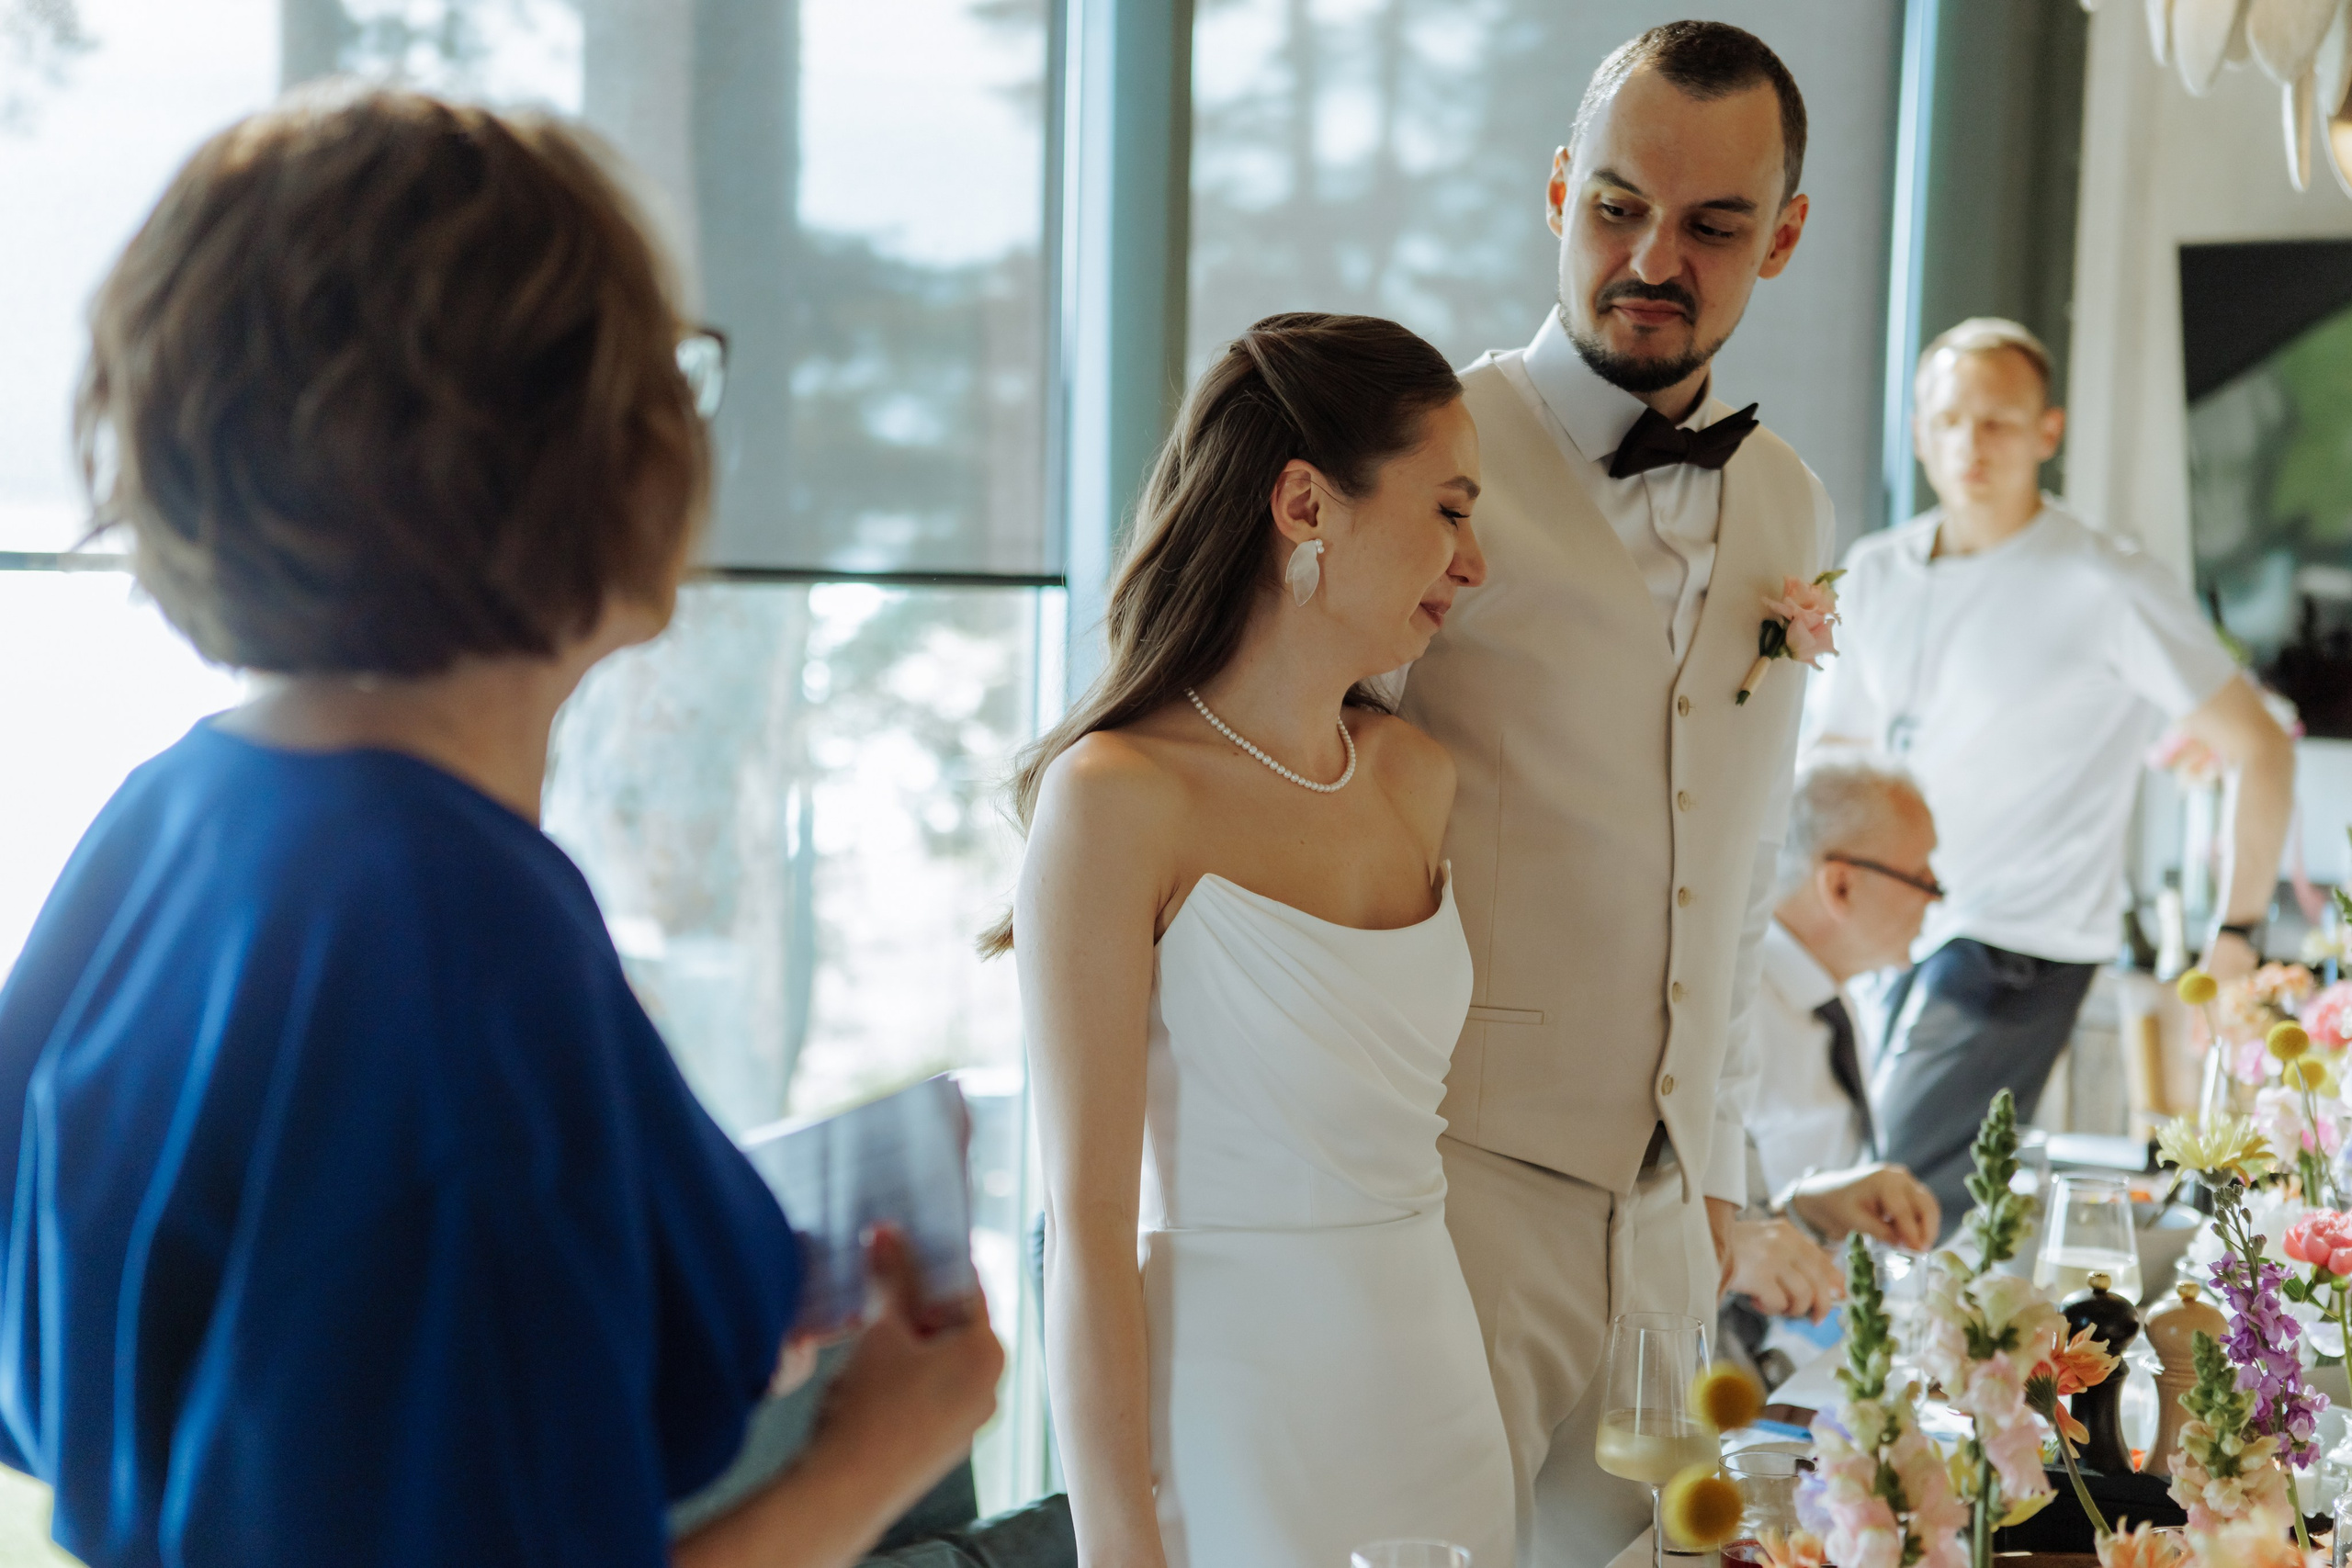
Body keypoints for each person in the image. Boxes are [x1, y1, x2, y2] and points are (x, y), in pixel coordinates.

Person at [0, 88, 1001, 1568]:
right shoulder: (451, 941)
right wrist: (875, 1458)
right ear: (562, 442)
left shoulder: (177, 821)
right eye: (669, 375)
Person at [1385, 22, 1831, 1565]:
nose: (1655, 256)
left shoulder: (1791, 502)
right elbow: (1276, 778)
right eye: (1619, 207)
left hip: (1667, 1232)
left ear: (1782, 236)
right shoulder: (1425, 455)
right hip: (1455, 1197)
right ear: (1561, 190)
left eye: (1713, 226)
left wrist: (1715, 1180)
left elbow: (1738, 843)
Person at [998, 313, 1512, 1568]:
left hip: (1439, 1398)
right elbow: (1087, 1218)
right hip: (1234, 1415)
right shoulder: (1116, 796)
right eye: (1447, 509)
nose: (1475, 559)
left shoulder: (1416, 779)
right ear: (1303, 503)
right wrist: (1120, 1541)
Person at [1810, 318, 2297, 1235]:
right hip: (1877, 939)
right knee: (1864, 1201)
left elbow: (2259, 747)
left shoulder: (2106, 583)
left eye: (1997, 422)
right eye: (1948, 420)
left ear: (2047, 433)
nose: (1969, 444)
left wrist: (2233, 933)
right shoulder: (1871, 576)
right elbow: (1833, 770)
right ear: (1918, 430)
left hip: (2014, 941)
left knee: (1889, 1207)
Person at [1720, 758, 1944, 1349]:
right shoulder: (1732, 1006)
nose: (1936, 900)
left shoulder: (1836, 998)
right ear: (1840, 883)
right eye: (1922, 879)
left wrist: (1825, 1206)